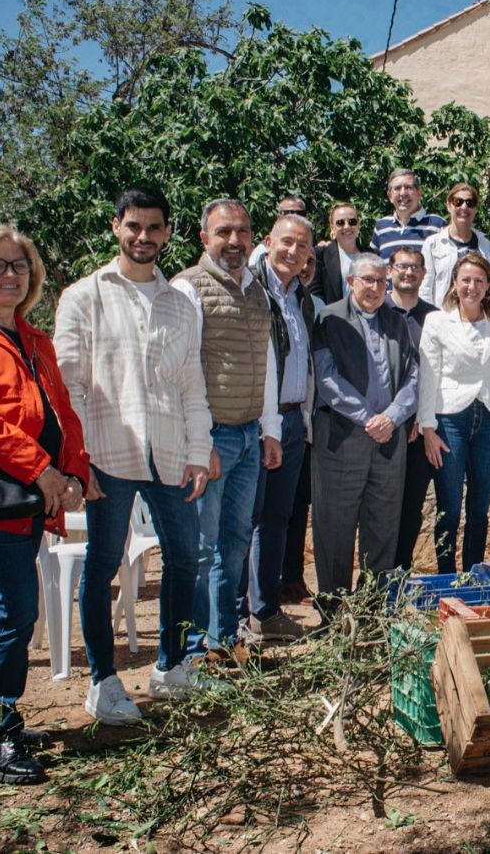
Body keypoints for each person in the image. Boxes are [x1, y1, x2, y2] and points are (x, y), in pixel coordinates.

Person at [55, 188, 212, 728]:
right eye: (133, 226)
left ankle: (170, 667)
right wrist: (78, 460)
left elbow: (192, 384)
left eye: (153, 228)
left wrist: (199, 451)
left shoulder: (179, 302)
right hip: (107, 454)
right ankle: (103, 681)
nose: (143, 237)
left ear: (168, 233)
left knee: (185, 560)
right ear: (116, 227)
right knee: (102, 566)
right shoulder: (84, 296)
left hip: (169, 455)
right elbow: (68, 386)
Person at [0, 224, 88, 784]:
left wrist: (74, 474)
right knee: (13, 610)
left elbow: (61, 413)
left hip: (31, 492)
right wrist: (42, 470)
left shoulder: (33, 339)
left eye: (19, 264)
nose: (10, 274)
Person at [172, 199, 282, 664]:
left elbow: (268, 362)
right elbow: (184, 368)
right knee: (199, 550)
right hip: (210, 438)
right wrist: (200, 443)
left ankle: (221, 639)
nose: (234, 241)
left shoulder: (256, 290)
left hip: (247, 437)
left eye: (242, 231)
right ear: (204, 238)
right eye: (223, 232)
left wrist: (270, 427)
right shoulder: (187, 288)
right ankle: (192, 649)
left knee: (234, 546)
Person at [310, 255, 418, 615]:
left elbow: (415, 377)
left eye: (379, 282)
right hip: (343, 439)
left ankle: (372, 611)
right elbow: (326, 379)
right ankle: (334, 612)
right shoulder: (329, 319)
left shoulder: (397, 323)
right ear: (351, 281)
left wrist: (392, 417)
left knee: (383, 526)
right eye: (366, 280)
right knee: (335, 530)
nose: (373, 288)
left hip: (389, 442)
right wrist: (369, 418)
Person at [418, 253, 490, 572]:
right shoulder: (436, 321)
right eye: (466, 280)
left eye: (479, 280)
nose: (472, 286)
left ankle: (472, 575)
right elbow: (428, 374)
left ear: (489, 286)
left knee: (479, 507)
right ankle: (447, 576)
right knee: (449, 506)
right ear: (454, 283)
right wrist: (427, 427)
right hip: (449, 421)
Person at [244, 214, 316, 642]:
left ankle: (266, 611)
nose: (292, 251)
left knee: (277, 519)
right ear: (269, 242)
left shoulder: (300, 297)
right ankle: (237, 617)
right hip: (257, 419)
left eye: (301, 245)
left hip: (292, 419)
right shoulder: (253, 290)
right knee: (247, 520)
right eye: (286, 242)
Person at [385, 247, 439, 571]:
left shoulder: (434, 317)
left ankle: (400, 575)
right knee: (379, 506)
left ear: (424, 274)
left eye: (415, 267)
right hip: (382, 426)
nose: (408, 272)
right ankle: (374, 577)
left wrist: (422, 415)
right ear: (390, 270)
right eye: (402, 266)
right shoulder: (376, 311)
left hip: (419, 429)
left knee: (411, 507)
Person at [280, 250, 320, 605]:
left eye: (310, 263)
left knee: (298, 504)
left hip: (305, 417)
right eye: (300, 263)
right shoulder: (274, 297)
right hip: (275, 414)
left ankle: (291, 578)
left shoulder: (311, 304)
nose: (304, 269)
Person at [419, 183, 490, 306]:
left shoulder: (485, 245)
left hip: (476, 319)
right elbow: (425, 289)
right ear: (448, 205)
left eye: (470, 203)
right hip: (442, 318)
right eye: (458, 202)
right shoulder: (433, 244)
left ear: (475, 208)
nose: (464, 207)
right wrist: (431, 319)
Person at [370, 168, 446, 263]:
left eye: (408, 187)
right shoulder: (381, 227)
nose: (403, 193)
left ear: (419, 193)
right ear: (390, 196)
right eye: (397, 188)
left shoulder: (437, 224)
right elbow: (372, 266)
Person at [309, 201, 367, 305]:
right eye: (340, 223)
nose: (347, 226)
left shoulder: (371, 255)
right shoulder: (321, 255)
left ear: (358, 225)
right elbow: (315, 294)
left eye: (352, 221)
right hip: (333, 318)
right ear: (332, 227)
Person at [250, 194, 308, 265]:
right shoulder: (263, 251)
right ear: (279, 218)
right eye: (289, 213)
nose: (295, 218)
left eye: (300, 214)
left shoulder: (309, 250)